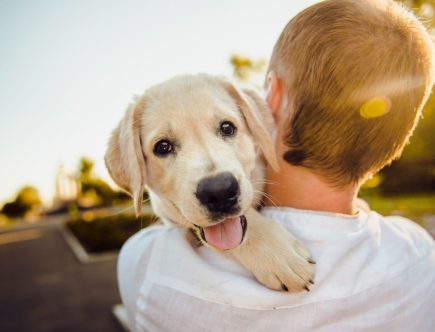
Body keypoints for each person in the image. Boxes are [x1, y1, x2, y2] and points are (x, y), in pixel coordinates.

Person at [118, 0, 435, 331]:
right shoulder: (420, 256)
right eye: (165, 146)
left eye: (227, 129)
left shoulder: (149, 267)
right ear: (396, 139)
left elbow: (164, 223)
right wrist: (249, 230)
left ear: (271, 96)